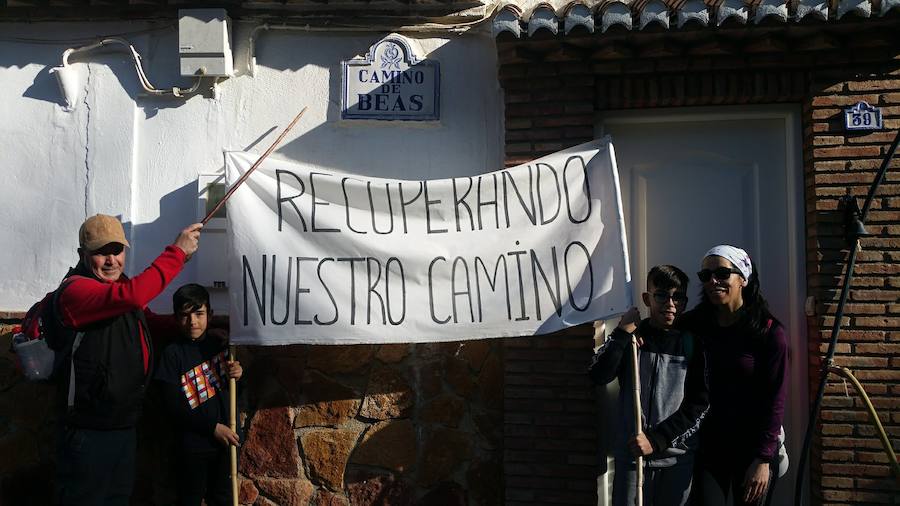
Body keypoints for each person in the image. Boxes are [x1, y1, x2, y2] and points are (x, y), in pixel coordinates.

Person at [54, 213, 202, 505]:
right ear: (83, 255)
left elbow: (147, 322)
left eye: (117, 251)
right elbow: (133, 297)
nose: (111, 260)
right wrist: (177, 253)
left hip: (122, 425)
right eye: (100, 253)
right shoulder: (76, 291)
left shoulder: (119, 287)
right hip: (89, 432)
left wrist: (202, 327)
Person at [589, 265, 709, 506]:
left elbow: (698, 405)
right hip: (633, 459)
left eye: (678, 297)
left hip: (676, 460)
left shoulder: (692, 344)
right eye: (662, 295)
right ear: (647, 298)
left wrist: (655, 440)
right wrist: (622, 333)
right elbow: (598, 375)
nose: (670, 303)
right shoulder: (631, 339)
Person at [680, 245, 788, 506]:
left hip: (753, 449)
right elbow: (659, 335)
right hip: (709, 446)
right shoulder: (694, 324)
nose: (713, 281)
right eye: (705, 276)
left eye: (722, 273)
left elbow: (776, 399)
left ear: (743, 278)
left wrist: (763, 459)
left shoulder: (769, 332)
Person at [155, 283, 242, 506]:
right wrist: (212, 428)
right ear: (176, 318)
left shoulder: (221, 347)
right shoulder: (171, 354)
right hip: (191, 446)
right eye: (185, 315)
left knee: (222, 498)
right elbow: (173, 406)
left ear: (209, 315)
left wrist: (238, 375)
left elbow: (233, 395)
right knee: (189, 499)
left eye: (199, 314)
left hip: (225, 444)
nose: (192, 321)